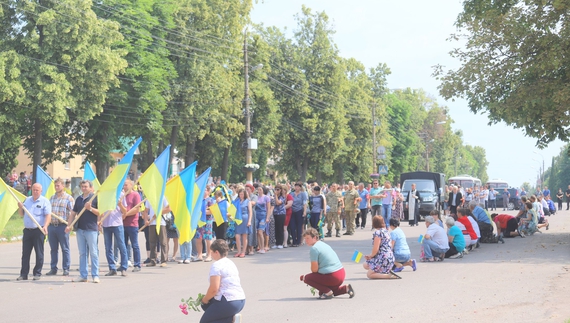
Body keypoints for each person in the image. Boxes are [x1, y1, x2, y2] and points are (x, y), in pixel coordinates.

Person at [199, 239, 245, 323]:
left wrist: (204, 299)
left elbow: (214, 289)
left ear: (216, 252)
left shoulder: (216, 265)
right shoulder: (230, 262)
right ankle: (229, 319)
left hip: (228, 301)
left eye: (212, 252)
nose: (211, 255)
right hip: (240, 300)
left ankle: (231, 320)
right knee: (207, 308)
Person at [300, 228, 354, 298]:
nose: (306, 240)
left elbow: (314, 270)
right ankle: (345, 289)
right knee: (322, 293)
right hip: (341, 273)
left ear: (315, 237)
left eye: (308, 238)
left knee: (307, 278)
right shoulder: (323, 244)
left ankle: (328, 292)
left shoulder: (314, 249)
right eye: (305, 238)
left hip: (333, 276)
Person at [65, 180, 100, 283]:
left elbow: (100, 212)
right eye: (82, 186)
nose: (84, 188)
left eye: (85, 186)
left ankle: (95, 275)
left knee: (93, 253)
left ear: (90, 187)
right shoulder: (79, 199)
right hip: (80, 229)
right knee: (82, 253)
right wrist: (69, 225)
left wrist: (90, 208)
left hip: (91, 229)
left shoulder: (95, 197)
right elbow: (73, 213)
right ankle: (83, 275)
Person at [16, 183, 51, 281]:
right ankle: (23, 274)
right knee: (25, 254)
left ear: (41, 191)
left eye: (37, 190)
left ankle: (37, 273)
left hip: (38, 230)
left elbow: (48, 215)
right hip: (27, 231)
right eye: (34, 189)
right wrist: (20, 207)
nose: (35, 191)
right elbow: (21, 214)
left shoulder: (45, 201)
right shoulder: (27, 200)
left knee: (39, 253)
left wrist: (46, 226)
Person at [46, 178, 74, 277]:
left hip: (63, 226)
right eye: (55, 185)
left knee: (65, 248)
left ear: (63, 186)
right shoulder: (51, 198)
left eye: (58, 185)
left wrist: (70, 225)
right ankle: (53, 268)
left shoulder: (68, 198)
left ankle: (66, 268)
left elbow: (73, 213)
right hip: (52, 226)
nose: (56, 187)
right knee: (53, 249)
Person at [102, 192, 128, 276]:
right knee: (108, 247)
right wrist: (99, 221)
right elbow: (101, 210)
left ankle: (123, 267)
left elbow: (125, 211)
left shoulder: (120, 194)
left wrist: (120, 204)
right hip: (106, 224)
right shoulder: (104, 193)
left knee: (122, 246)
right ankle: (112, 268)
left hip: (117, 224)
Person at [120, 179, 142, 271]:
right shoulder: (122, 196)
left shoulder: (135, 195)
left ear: (131, 185)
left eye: (126, 185)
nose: (124, 187)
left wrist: (125, 214)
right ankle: (123, 264)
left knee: (134, 245)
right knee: (123, 245)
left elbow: (137, 209)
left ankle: (137, 264)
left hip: (132, 224)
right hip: (122, 224)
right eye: (123, 185)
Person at [143, 197, 171, 267]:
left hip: (161, 223)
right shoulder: (150, 197)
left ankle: (164, 260)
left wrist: (159, 213)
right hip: (152, 223)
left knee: (163, 242)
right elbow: (146, 211)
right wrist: (146, 220)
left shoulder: (163, 197)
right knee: (152, 242)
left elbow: (168, 209)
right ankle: (153, 260)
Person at [195, 187, 214, 262]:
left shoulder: (211, 200)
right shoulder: (198, 200)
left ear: (208, 191)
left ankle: (209, 255)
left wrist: (202, 211)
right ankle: (199, 255)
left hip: (207, 221)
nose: (204, 191)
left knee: (208, 238)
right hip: (199, 221)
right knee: (198, 238)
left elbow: (211, 211)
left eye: (205, 190)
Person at [233, 189, 252, 257]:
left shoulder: (248, 201)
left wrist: (249, 221)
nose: (241, 195)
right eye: (240, 194)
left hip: (245, 218)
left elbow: (250, 212)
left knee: (244, 236)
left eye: (242, 194)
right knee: (237, 236)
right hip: (238, 219)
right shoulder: (237, 201)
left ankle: (243, 252)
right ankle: (239, 251)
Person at [255, 186, 271, 253]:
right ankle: (259, 246)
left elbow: (268, 208)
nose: (259, 191)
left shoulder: (266, 197)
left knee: (260, 231)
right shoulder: (256, 197)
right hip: (256, 215)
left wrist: (267, 217)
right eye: (258, 189)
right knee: (257, 232)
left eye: (260, 189)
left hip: (263, 215)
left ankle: (263, 247)